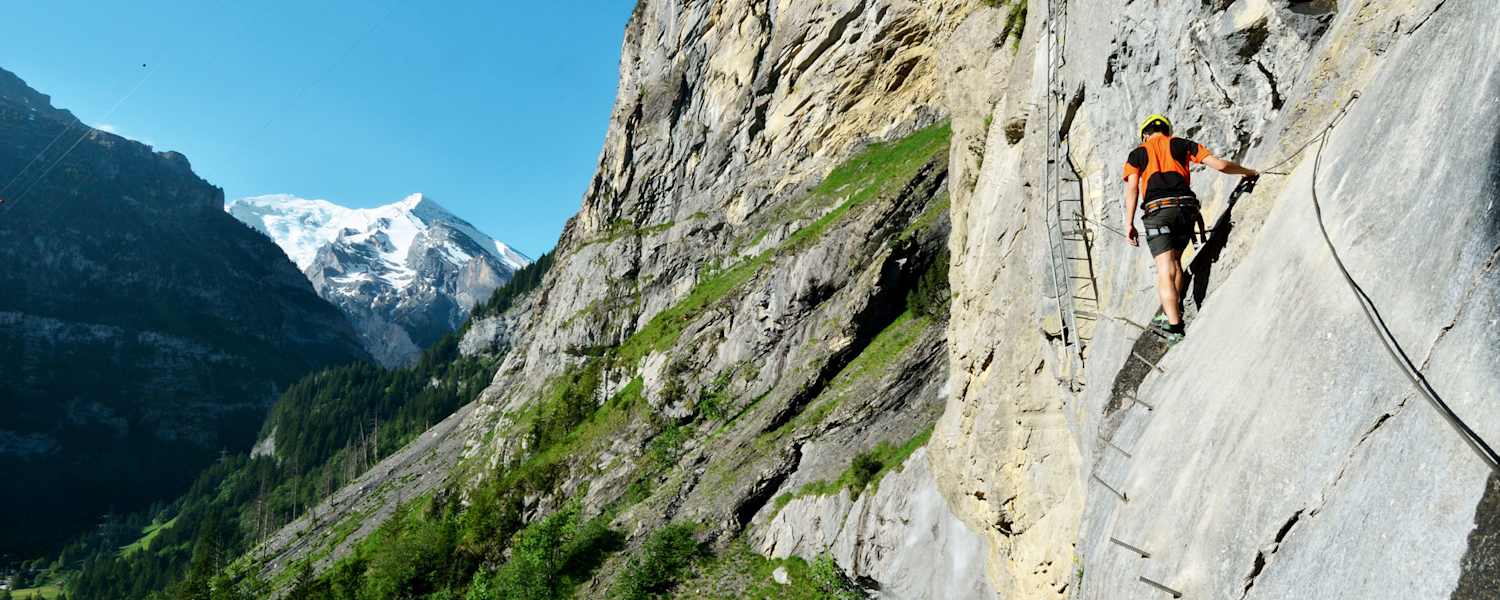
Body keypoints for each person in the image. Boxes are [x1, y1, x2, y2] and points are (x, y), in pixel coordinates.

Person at [1122, 114, 1258, 344]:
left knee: (1165, 267)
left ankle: (1174, 326)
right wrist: (1249, 172)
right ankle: (1175, 312)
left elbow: (1133, 188)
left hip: (1158, 211)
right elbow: (1221, 165)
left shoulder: (1137, 154)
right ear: (1167, 130)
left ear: (1145, 134)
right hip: (1186, 208)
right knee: (1176, 261)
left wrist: (1129, 224)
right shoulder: (1182, 144)